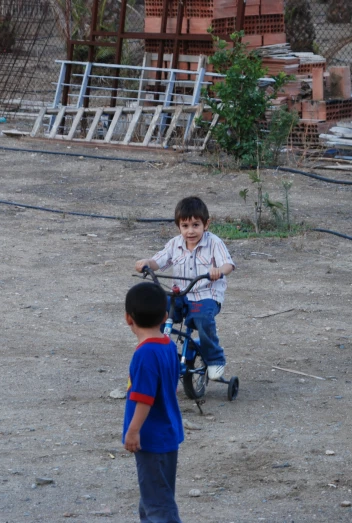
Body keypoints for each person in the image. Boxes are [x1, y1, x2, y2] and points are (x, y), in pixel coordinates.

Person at [135, 196, 235, 380]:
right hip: (180, 294)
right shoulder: (175, 244)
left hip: (206, 294)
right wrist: (147, 263)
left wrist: (218, 271)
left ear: (206, 224)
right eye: (185, 226)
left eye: (196, 225)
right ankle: (159, 352)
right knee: (155, 312)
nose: (190, 231)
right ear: (178, 226)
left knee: (202, 318)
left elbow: (228, 264)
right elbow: (159, 260)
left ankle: (215, 359)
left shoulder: (214, 243)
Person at [123, 282, 184, 523]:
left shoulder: (144, 354)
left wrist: (133, 430)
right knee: (154, 495)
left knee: (158, 505)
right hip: (167, 433)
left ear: (128, 318)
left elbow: (144, 399)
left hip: (150, 438)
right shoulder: (168, 345)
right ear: (166, 316)